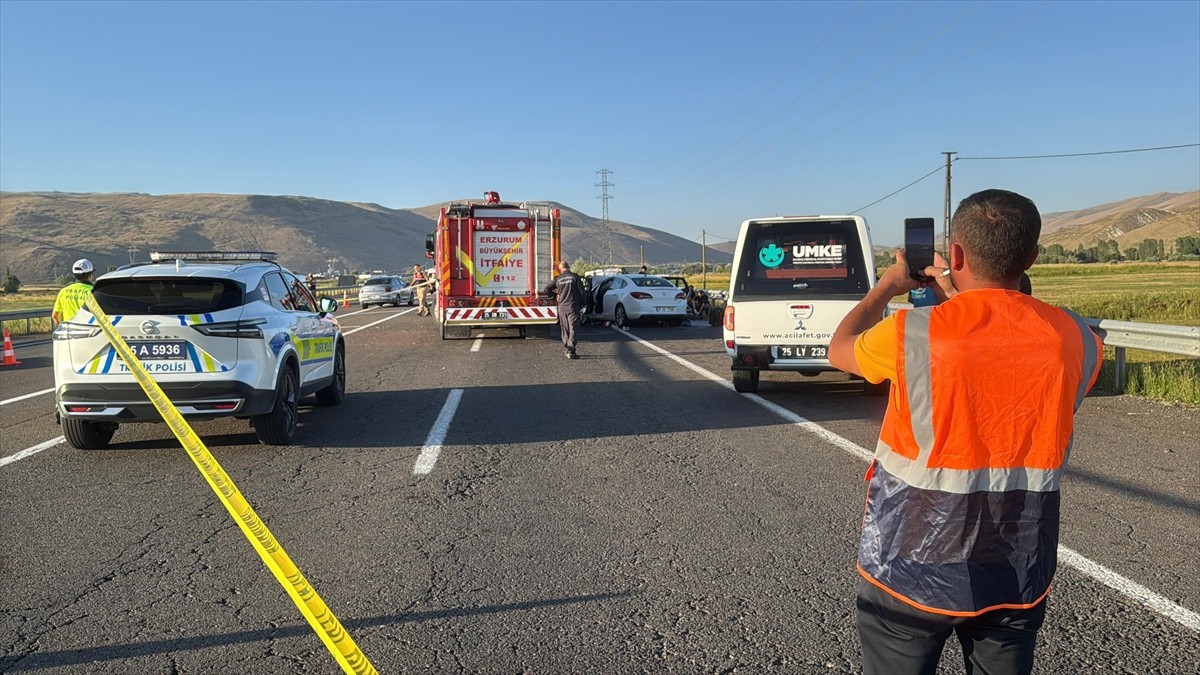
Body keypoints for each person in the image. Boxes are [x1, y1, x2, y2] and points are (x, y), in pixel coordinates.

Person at [828, 189, 1102, 675]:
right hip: (1016, 563)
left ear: (954, 256)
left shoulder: (912, 332)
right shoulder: (1079, 339)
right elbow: (1009, 344)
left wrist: (889, 285)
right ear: (1033, 257)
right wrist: (964, 302)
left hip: (908, 564)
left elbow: (840, 348)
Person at [543, 260, 585, 359]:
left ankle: (567, 348)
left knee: (565, 329)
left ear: (561, 269)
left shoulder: (558, 279)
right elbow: (582, 292)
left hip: (562, 308)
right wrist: (584, 304)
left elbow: (546, 289)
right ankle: (571, 349)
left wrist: (555, 295)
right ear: (568, 267)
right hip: (573, 307)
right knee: (573, 328)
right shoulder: (575, 277)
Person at [52, 258, 97, 327]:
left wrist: (63, 328)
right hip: (88, 331)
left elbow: (55, 316)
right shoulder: (94, 291)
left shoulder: (63, 291)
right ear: (90, 275)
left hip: (69, 332)